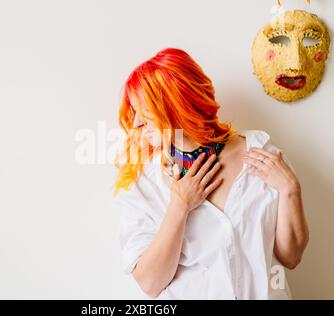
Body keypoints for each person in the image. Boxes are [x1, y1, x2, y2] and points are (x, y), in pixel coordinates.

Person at [112, 48, 309, 299]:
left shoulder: (264, 157)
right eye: (135, 112)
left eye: (145, 110)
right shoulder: (145, 183)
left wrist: (291, 190)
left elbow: (290, 258)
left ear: (177, 102)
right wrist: (179, 206)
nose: (137, 122)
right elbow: (150, 284)